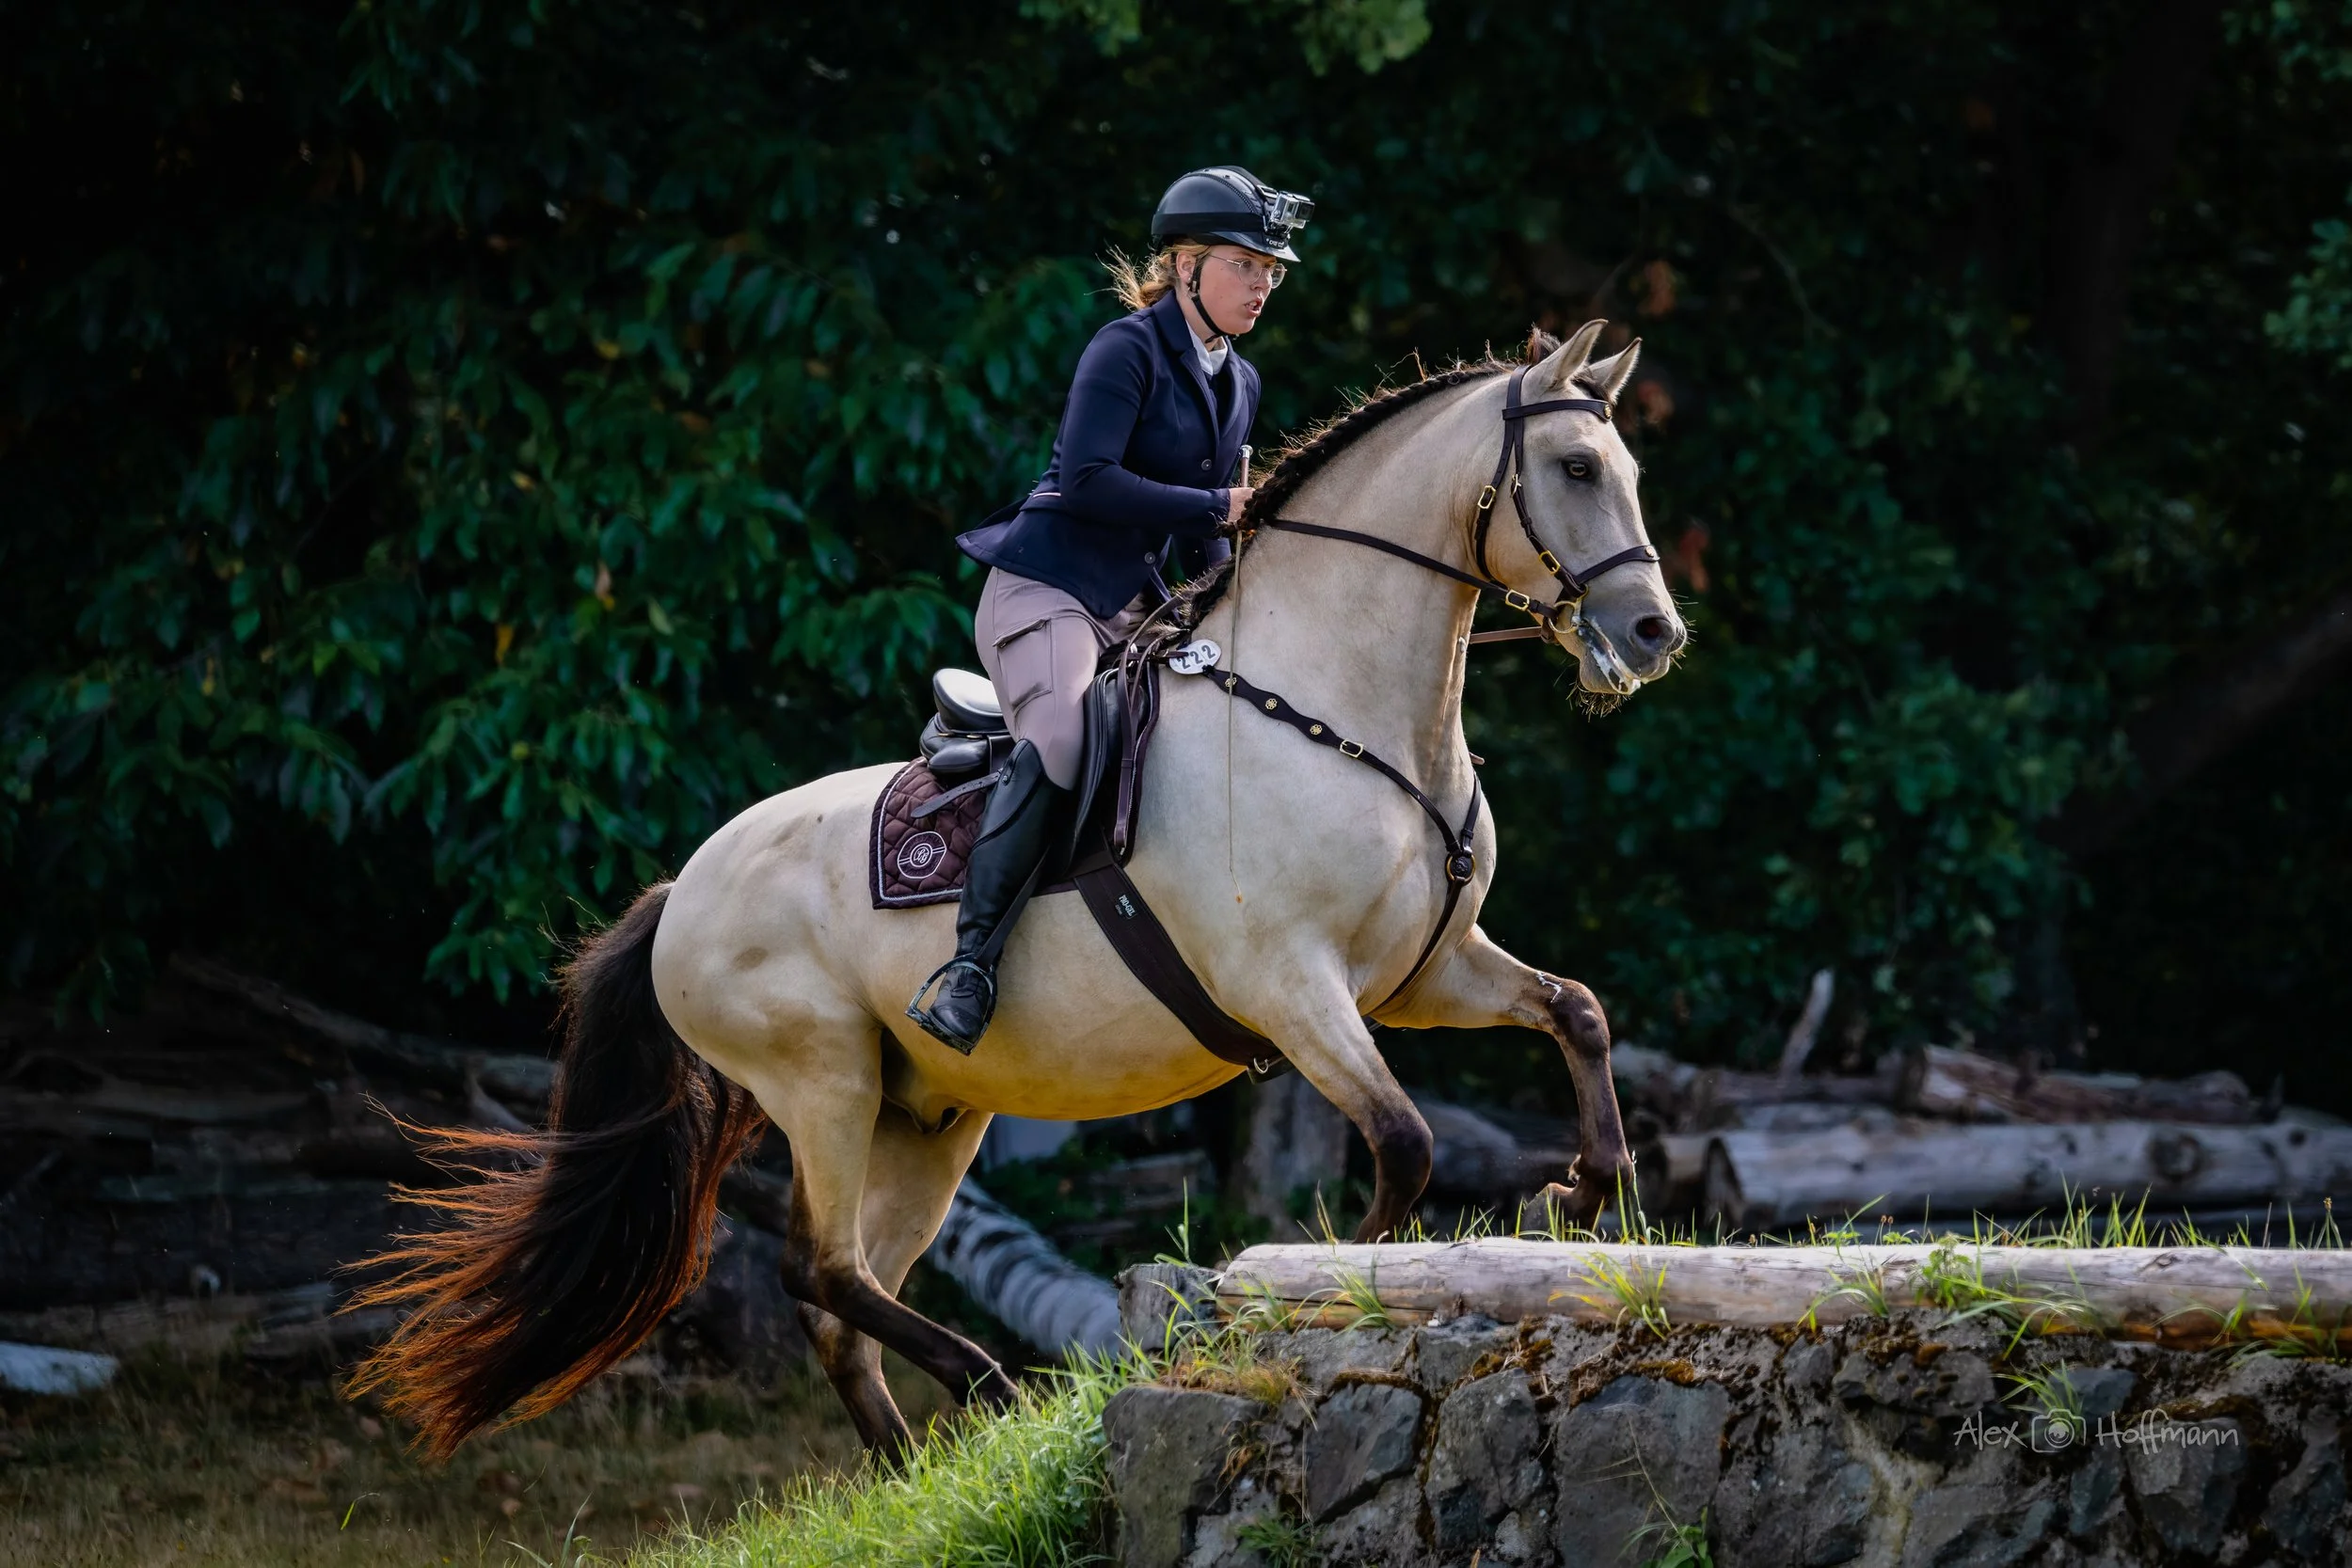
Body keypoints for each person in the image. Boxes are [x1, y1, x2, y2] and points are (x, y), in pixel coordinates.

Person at [906, 166, 1312, 1054]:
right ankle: (968, 968)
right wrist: (1217, 512)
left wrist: (1233, 608)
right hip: (1045, 591)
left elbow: (1209, 539)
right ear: (1189, 264)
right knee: (1062, 737)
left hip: (1134, 609)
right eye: (1247, 266)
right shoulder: (1122, 349)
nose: (1263, 285)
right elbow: (1091, 482)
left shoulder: (1238, 381)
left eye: (1271, 272)